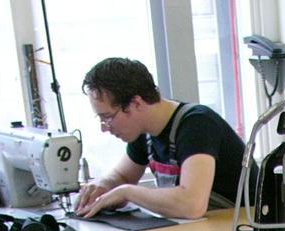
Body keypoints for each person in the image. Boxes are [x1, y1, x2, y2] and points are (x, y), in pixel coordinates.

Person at [75, 57, 248, 221]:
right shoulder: (142, 131)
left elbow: (192, 205)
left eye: (108, 117)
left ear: (136, 103)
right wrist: (104, 184)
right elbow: (122, 175)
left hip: (239, 227)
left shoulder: (197, 125)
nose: (104, 128)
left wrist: (126, 192)